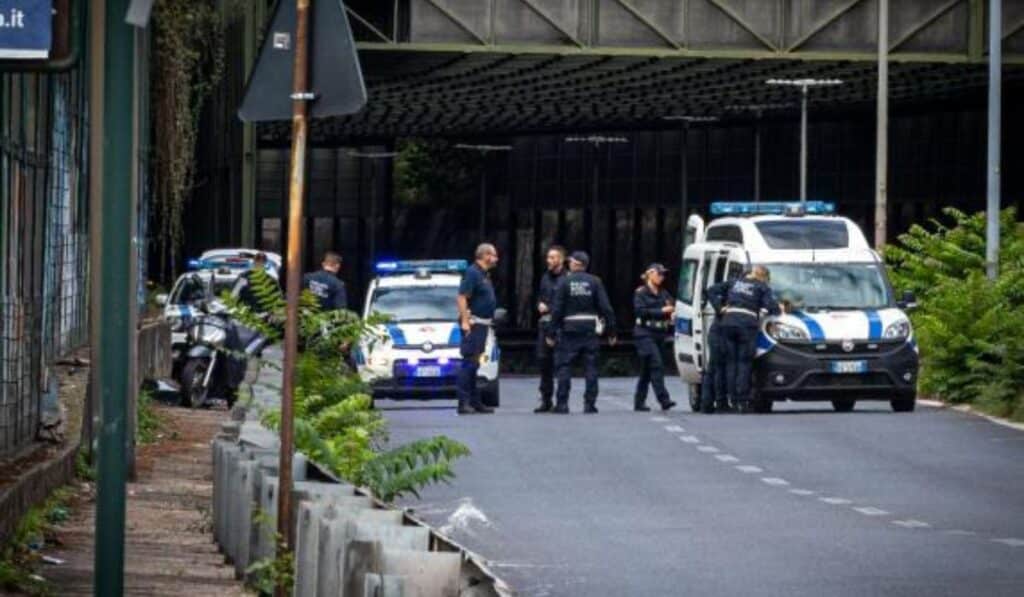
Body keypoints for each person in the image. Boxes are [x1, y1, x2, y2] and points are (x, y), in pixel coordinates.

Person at [547, 251, 616, 414]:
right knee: (591, 367)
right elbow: (606, 308)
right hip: (590, 330)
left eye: (570, 262)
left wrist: (551, 332)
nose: (569, 264)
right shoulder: (595, 282)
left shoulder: (564, 282)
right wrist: (612, 331)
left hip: (569, 330)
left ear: (576, 264)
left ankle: (562, 404)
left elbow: (557, 310)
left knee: (564, 367)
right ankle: (590, 404)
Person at [719, 266, 781, 413]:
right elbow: (772, 307)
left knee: (731, 363)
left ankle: (732, 399)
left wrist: (719, 307)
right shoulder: (761, 286)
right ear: (763, 277)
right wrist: (777, 309)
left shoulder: (734, 282)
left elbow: (712, 290)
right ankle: (742, 401)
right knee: (744, 363)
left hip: (728, 322)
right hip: (746, 325)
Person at [455, 243, 500, 415]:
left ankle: (475, 401)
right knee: (468, 363)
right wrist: (465, 321)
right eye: (494, 255)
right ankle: (463, 402)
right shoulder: (472, 273)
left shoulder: (484, 274)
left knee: (475, 364)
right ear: (485, 255)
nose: (496, 258)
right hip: (473, 323)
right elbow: (462, 297)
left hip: (483, 324)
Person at [632, 263, 678, 412]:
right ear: (650, 274)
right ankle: (664, 399)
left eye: (663, 274)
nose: (662, 277)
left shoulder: (664, 293)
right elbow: (640, 311)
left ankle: (639, 402)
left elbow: (673, 306)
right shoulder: (641, 293)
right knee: (656, 364)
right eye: (659, 274)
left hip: (660, 334)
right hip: (644, 333)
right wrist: (661, 310)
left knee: (647, 369)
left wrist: (672, 314)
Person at [534, 245, 568, 413]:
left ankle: (561, 402)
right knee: (544, 362)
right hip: (545, 324)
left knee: (561, 364)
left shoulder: (567, 278)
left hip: (561, 326)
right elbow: (541, 296)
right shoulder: (545, 278)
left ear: (561, 259)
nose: (549, 260)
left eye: (553, 257)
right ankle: (546, 400)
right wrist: (539, 304)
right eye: (548, 257)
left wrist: (551, 308)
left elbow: (567, 303)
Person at [701, 279, 734, 414]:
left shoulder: (736, 287)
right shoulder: (733, 285)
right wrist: (719, 308)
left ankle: (707, 403)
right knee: (718, 368)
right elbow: (710, 290)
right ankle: (719, 403)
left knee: (713, 369)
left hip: (719, 331)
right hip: (719, 332)